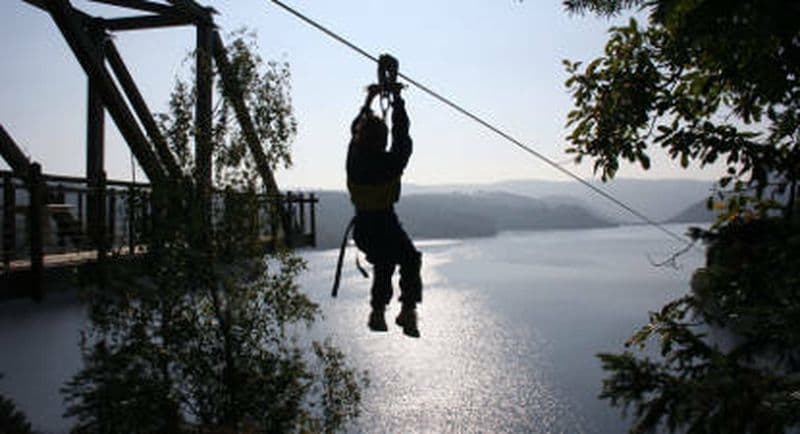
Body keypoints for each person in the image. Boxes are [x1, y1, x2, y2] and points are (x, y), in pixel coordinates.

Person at [346, 82, 422, 338]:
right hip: (386, 223)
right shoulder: (391, 163)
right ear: (382, 140)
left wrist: (369, 100)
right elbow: (403, 136)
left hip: (364, 227)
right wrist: (398, 100)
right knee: (408, 259)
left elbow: (355, 129)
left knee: (384, 261)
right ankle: (407, 310)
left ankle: (378, 312)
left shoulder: (353, 160)